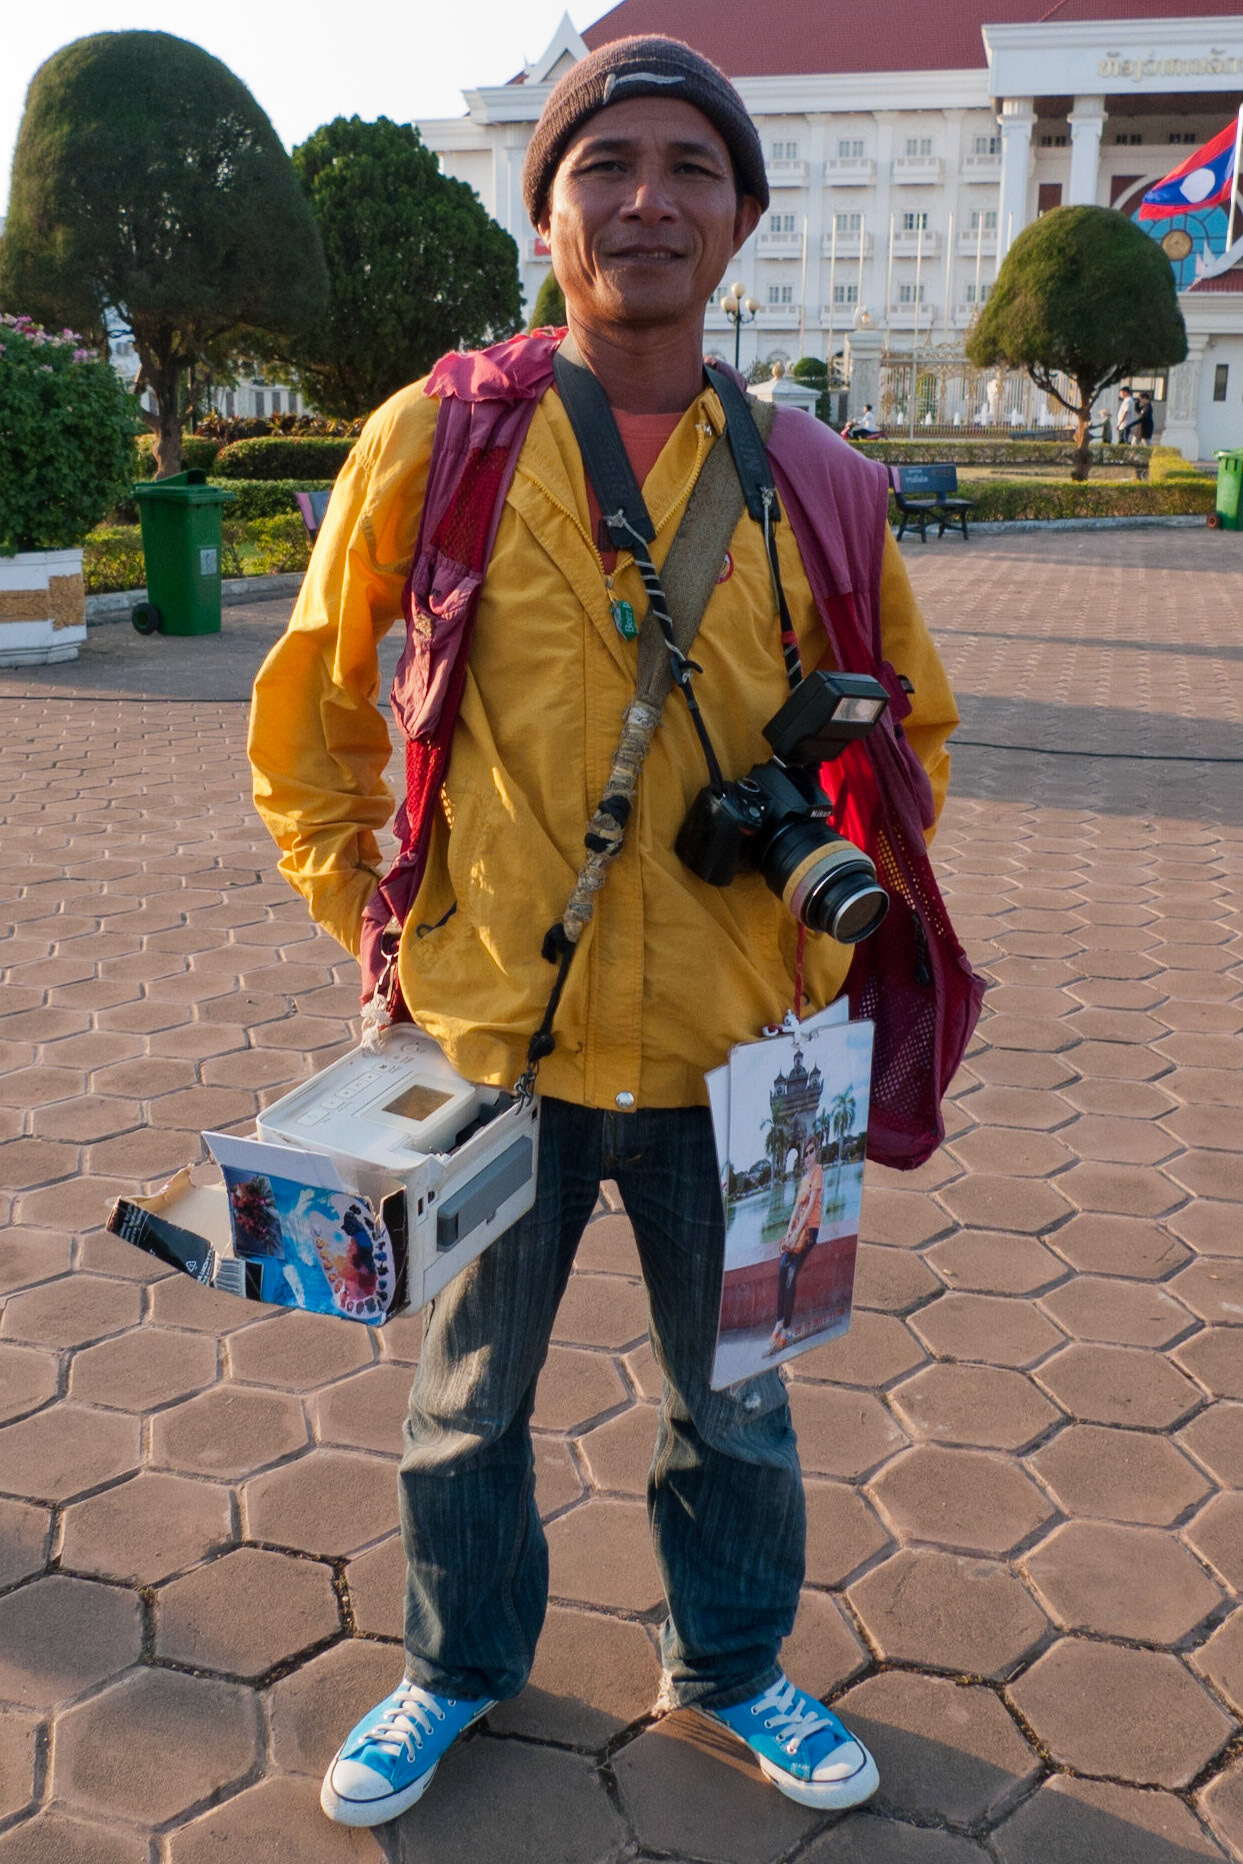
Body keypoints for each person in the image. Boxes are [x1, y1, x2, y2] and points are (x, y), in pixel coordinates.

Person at [250, 33, 960, 1832]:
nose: (646, 197)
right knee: (465, 1401)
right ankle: (456, 1660)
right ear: (546, 209)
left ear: (737, 220)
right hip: (501, 1038)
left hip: (742, 1046)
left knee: (740, 1403)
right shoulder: (441, 436)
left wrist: (812, 936)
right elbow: (311, 714)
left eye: (687, 169)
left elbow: (910, 732)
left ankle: (726, 1664)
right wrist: (379, 918)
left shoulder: (818, 477)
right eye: (604, 165)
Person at [769, 1135, 823, 1354]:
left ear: (816, 1153)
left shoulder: (818, 1172)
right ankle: (779, 1323)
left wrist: (798, 1231)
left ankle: (788, 1329)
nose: (808, 1156)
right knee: (782, 1267)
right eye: (806, 1153)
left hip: (810, 1230)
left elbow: (810, 1207)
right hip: (798, 1230)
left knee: (791, 1271)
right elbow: (795, 1209)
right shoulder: (803, 1180)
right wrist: (788, 1232)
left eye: (811, 1152)